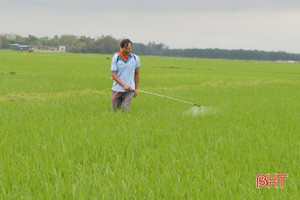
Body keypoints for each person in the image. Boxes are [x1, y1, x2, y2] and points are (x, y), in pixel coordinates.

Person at [111, 39, 140, 112]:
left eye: (129, 49)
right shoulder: (116, 59)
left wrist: (136, 89)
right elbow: (113, 75)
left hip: (130, 90)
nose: (128, 50)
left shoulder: (135, 58)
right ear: (121, 48)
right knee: (115, 111)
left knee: (126, 111)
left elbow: (137, 74)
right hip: (117, 89)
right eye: (126, 49)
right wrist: (124, 85)